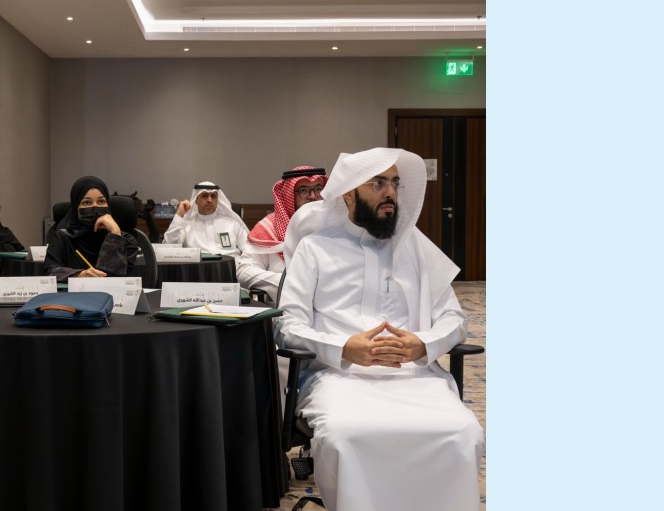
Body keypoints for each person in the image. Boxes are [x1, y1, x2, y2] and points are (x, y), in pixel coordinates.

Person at [278, 148, 483, 510]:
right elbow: (287, 327)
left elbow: (455, 319)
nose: (390, 193)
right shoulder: (315, 249)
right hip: (336, 376)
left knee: (463, 431)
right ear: (348, 194)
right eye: (378, 184)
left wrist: (423, 343)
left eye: (395, 183)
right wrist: (344, 347)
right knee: (344, 433)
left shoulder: (415, 249)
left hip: (414, 377)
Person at [236, 165, 328, 302]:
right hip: (283, 307)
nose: (313, 196)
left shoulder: (334, 225)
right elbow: (244, 271)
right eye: (304, 190)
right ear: (288, 195)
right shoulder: (268, 228)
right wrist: (287, 282)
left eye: (318, 189)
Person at [43, 175, 139, 281]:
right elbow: (49, 272)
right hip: (73, 292)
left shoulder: (126, 240)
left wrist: (115, 235)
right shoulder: (63, 237)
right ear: (76, 207)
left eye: (101, 201)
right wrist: (79, 275)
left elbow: (111, 278)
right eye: (87, 202)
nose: (95, 207)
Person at [161, 181, 250, 256]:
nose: (209, 200)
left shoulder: (232, 223)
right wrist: (179, 215)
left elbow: (250, 249)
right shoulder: (187, 225)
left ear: (217, 200)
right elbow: (168, 247)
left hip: (231, 268)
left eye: (213, 196)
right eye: (204, 196)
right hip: (199, 269)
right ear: (196, 200)